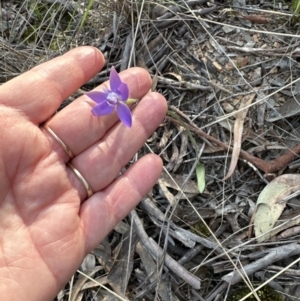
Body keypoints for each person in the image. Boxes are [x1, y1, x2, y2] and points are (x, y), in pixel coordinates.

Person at [0, 46, 167, 300]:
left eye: (113, 96)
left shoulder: (120, 104)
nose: (111, 99)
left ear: (117, 94)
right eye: (111, 97)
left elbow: (119, 103)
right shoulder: (113, 104)